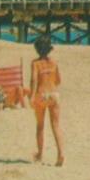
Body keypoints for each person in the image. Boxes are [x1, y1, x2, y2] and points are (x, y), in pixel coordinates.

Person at [30, 35, 64, 166]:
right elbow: (59, 80)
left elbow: (34, 80)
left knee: (40, 126)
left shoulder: (35, 63)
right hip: (54, 95)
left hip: (42, 95)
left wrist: (32, 96)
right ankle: (61, 153)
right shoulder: (54, 62)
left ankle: (39, 154)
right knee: (56, 126)